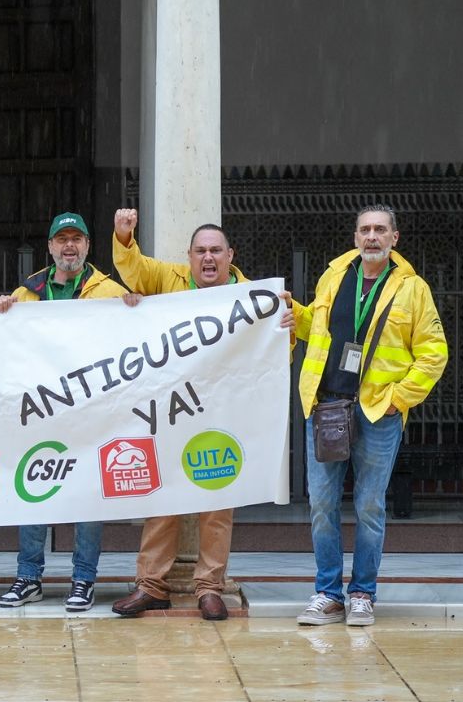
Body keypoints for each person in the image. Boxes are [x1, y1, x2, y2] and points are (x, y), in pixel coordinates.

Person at [108, 207, 293, 621]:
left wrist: (287, 331)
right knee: (161, 500)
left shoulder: (257, 299)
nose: (208, 258)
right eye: (200, 252)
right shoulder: (167, 280)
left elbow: (275, 356)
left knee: (217, 503)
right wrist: (123, 236)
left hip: (222, 415)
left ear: (231, 255)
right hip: (170, 413)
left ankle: (210, 588)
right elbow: (133, 267)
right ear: (189, 257)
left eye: (216, 251)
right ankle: (150, 586)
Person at [294, 204, 447, 627]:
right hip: (326, 406)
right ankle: (328, 594)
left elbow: (434, 353)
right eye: (365, 230)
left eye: (381, 230)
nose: (372, 237)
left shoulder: (413, 289)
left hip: (379, 412)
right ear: (356, 236)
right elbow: (316, 329)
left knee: (368, 506)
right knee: (322, 503)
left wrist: (399, 398)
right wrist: (295, 316)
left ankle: (362, 593)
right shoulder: (334, 276)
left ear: (395, 238)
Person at [0, 212, 139, 612]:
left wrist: (136, 310)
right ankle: (28, 577)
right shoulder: (29, 292)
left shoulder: (109, 291)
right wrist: (1, 308)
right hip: (41, 412)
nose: (69, 246)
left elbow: (135, 338)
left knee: (88, 497)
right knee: (33, 492)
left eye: (77, 239)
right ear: (50, 247)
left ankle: (83, 579)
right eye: (62, 239)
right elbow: (1, 341)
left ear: (89, 247)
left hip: (91, 414)